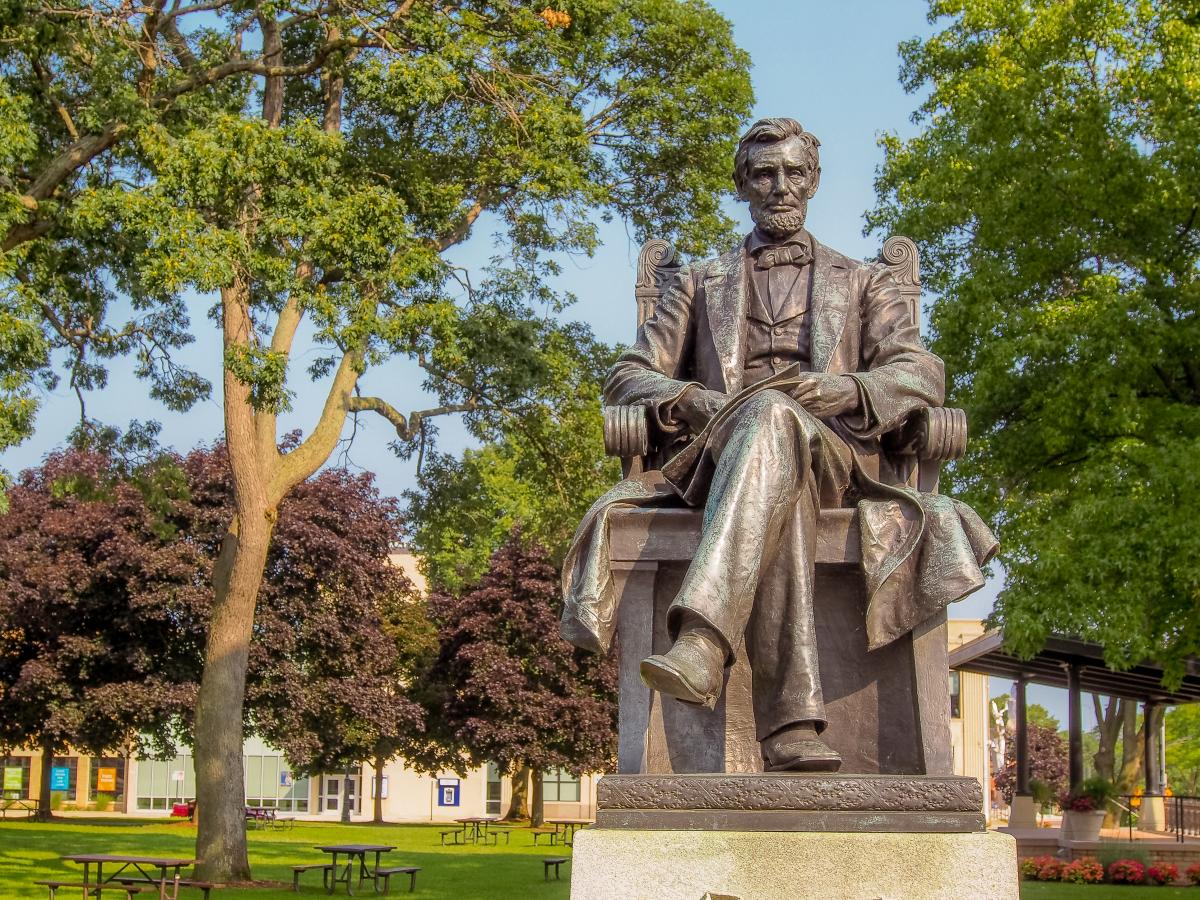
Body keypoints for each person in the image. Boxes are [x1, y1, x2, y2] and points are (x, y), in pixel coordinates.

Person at [560, 117, 995, 773]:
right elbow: (629, 373)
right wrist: (689, 398)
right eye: (764, 174)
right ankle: (790, 725)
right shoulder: (700, 282)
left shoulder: (863, 281)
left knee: (776, 419)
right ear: (742, 185)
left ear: (813, 180)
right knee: (768, 421)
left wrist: (846, 389)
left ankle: (703, 640)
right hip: (716, 462)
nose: (780, 186)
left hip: (837, 462)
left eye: (794, 173)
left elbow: (921, 373)